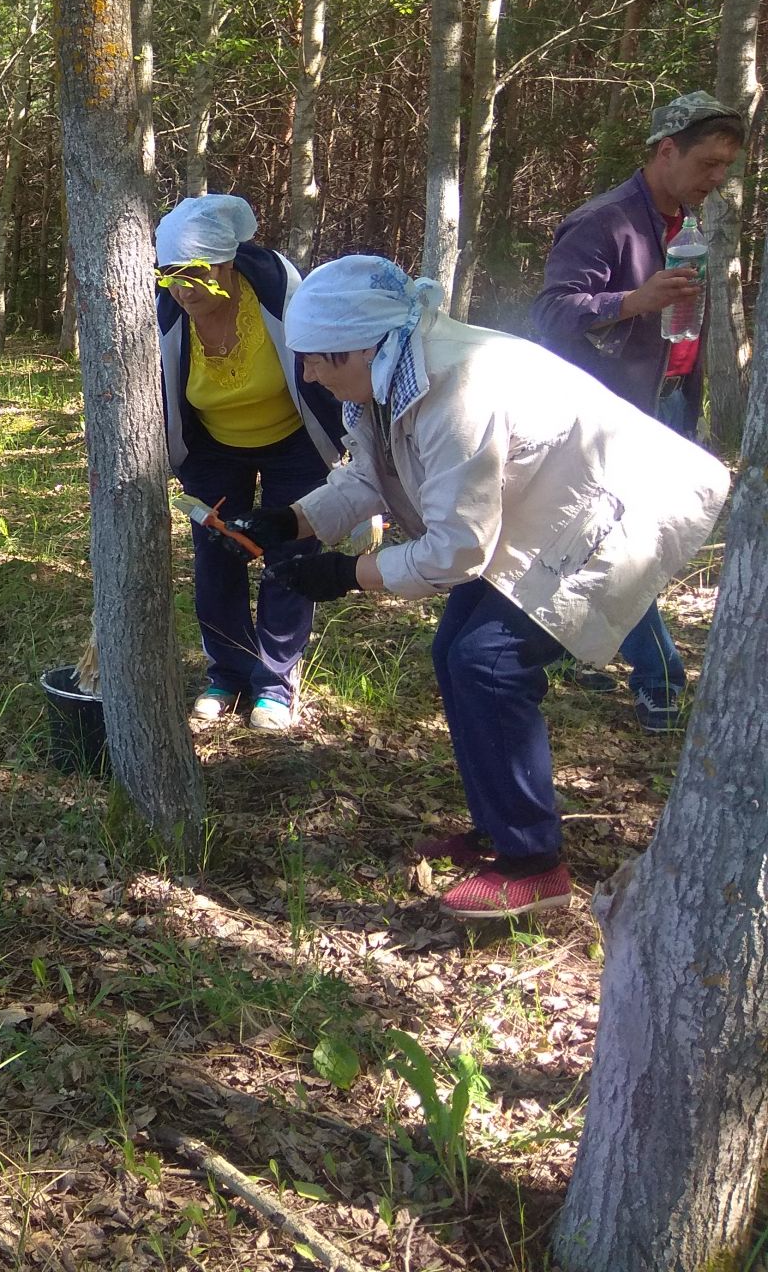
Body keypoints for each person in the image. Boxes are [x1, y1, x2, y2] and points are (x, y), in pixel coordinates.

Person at [230, 256, 728, 919]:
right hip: (532, 511)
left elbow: (458, 549)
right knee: (452, 653)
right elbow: (372, 475)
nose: (311, 375)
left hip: (610, 507)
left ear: (368, 345)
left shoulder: (453, 391)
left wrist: (347, 575)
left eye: (323, 359)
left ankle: (534, 863)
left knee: (487, 662)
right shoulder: (388, 373)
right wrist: (290, 519)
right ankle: (500, 825)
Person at [531, 90, 745, 732]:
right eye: (707, 163)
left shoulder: (687, 222)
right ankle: (661, 682)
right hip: (611, 415)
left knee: (621, 541)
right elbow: (550, 313)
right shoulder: (605, 220)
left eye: (724, 168)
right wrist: (631, 301)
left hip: (669, 402)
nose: (716, 179)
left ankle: (576, 653)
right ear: (665, 150)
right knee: (633, 547)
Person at [153, 194, 346, 730]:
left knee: (288, 553)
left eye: (195, 273)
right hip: (212, 446)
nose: (183, 287)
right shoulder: (167, 305)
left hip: (294, 440)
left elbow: (328, 361)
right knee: (217, 554)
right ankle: (228, 673)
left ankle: (276, 683)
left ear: (226, 262)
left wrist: (350, 443)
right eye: (170, 273)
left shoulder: (277, 292)